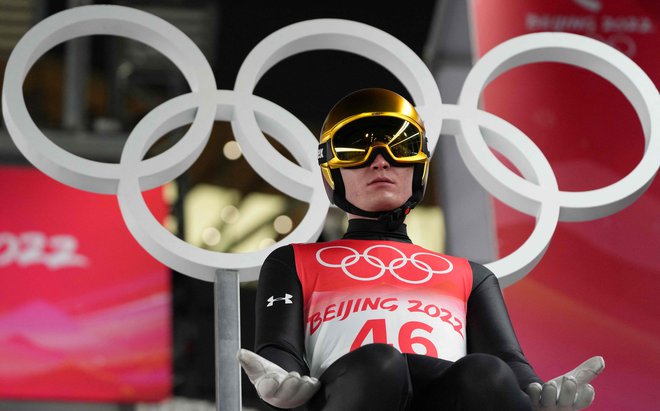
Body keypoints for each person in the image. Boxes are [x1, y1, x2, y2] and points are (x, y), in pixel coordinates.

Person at [238, 88, 604, 411]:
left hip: (450, 397)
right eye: (355, 148)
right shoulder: (295, 261)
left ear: (419, 166)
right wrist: (282, 377)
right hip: (357, 390)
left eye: (401, 146)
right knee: (380, 365)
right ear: (332, 171)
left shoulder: (469, 276)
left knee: (486, 373)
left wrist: (536, 393)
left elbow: (508, 360)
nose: (380, 160)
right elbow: (279, 347)